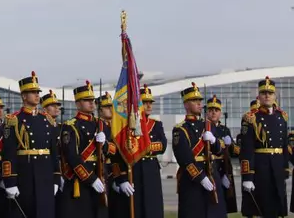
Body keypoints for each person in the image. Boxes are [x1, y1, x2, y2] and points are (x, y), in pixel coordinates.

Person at [2, 72, 60, 218]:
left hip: (46, 175)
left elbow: (54, 153)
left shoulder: (47, 120)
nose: (37, 95)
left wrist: (56, 178)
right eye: (32, 92)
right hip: (26, 175)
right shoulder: (14, 120)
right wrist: (10, 181)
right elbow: (8, 153)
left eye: (37, 92)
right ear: (23, 96)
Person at [171, 83, 225, 218]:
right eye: (194, 101)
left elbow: (220, 151)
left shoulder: (208, 125)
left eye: (200, 100)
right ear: (186, 104)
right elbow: (184, 159)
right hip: (192, 179)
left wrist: (214, 141)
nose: (199, 103)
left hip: (211, 173)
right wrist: (200, 177)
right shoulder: (180, 129)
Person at [112, 84, 166, 218]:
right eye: (145, 102)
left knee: (152, 208)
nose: (148, 106)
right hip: (133, 169)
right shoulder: (127, 126)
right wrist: (121, 178)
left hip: (151, 170)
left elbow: (162, 145)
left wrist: (142, 147)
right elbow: (117, 155)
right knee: (134, 209)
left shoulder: (156, 124)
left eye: (150, 103)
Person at [239, 77, 289, 218]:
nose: (267, 95)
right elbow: (247, 149)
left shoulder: (282, 117)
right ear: (258, 96)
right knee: (261, 209)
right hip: (261, 169)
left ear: (275, 95)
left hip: (277, 167)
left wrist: (285, 167)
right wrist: (247, 176)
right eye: (264, 93)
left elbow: (284, 145)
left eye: (270, 93)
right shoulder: (251, 118)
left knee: (276, 207)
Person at [57, 81, 108, 218]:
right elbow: (72, 156)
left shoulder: (101, 124)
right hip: (80, 180)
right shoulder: (71, 126)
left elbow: (112, 151)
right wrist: (91, 179)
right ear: (78, 103)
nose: (92, 103)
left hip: (100, 175)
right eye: (87, 100)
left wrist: (105, 144)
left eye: (92, 100)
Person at [205, 95, 237, 214]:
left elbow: (233, 152)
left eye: (216, 110)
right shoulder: (204, 127)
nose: (213, 113)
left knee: (223, 205)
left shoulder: (225, 129)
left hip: (223, 168)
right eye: (211, 110)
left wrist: (231, 145)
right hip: (211, 167)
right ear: (207, 112)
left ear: (220, 113)